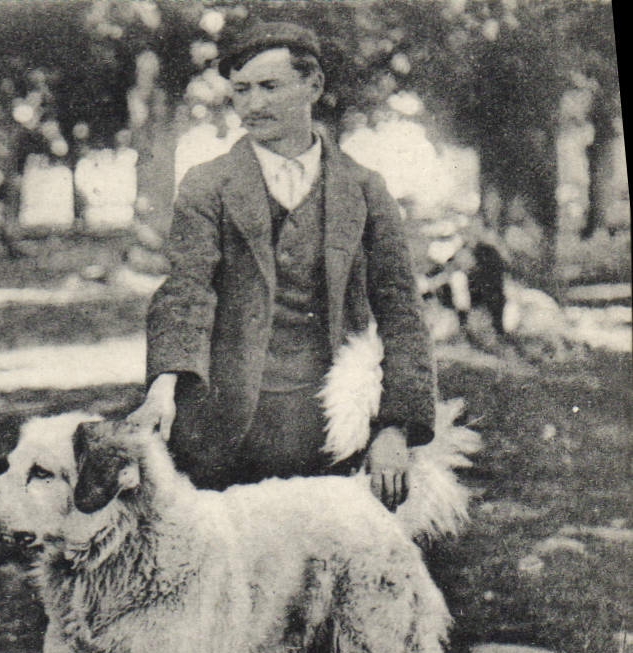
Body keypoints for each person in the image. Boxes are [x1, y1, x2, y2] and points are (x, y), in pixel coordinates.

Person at [129, 22, 436, 509]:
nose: (252, 105)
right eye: (241, 90)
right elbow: (187, 291)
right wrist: (163, 387)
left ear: (313, 85)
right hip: (224, 430)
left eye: (269, 87)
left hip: (332, 433)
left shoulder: (364, 189)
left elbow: (401, 311)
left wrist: (395, 427)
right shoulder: (207, 185)